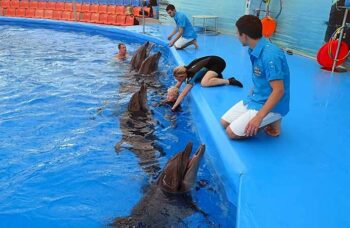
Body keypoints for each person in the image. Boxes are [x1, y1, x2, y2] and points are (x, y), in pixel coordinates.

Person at [221, 15, 290, 139]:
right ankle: (270, 119)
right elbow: (262, 76)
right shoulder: (254, 48)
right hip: (257, 97)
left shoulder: (270, 56)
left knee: (231, 133)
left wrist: (258, 118)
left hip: (272, 102)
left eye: (237, 33)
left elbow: (279, 91)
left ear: (244, 36)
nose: (237, 36)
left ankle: (274, 118)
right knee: (224, 123)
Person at [171, 56, 243, 111]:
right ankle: (216, 75)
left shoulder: (192, 73)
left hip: (219, 63)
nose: (180, 81)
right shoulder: (184, 69)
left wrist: (173, 107)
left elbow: (183, 93)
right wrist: (171, 93)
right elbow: (179, 82)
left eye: (180, 79)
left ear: (183, 75)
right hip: (211, 61)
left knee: (204, 83)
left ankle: (230, 81)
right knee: (200, 78)